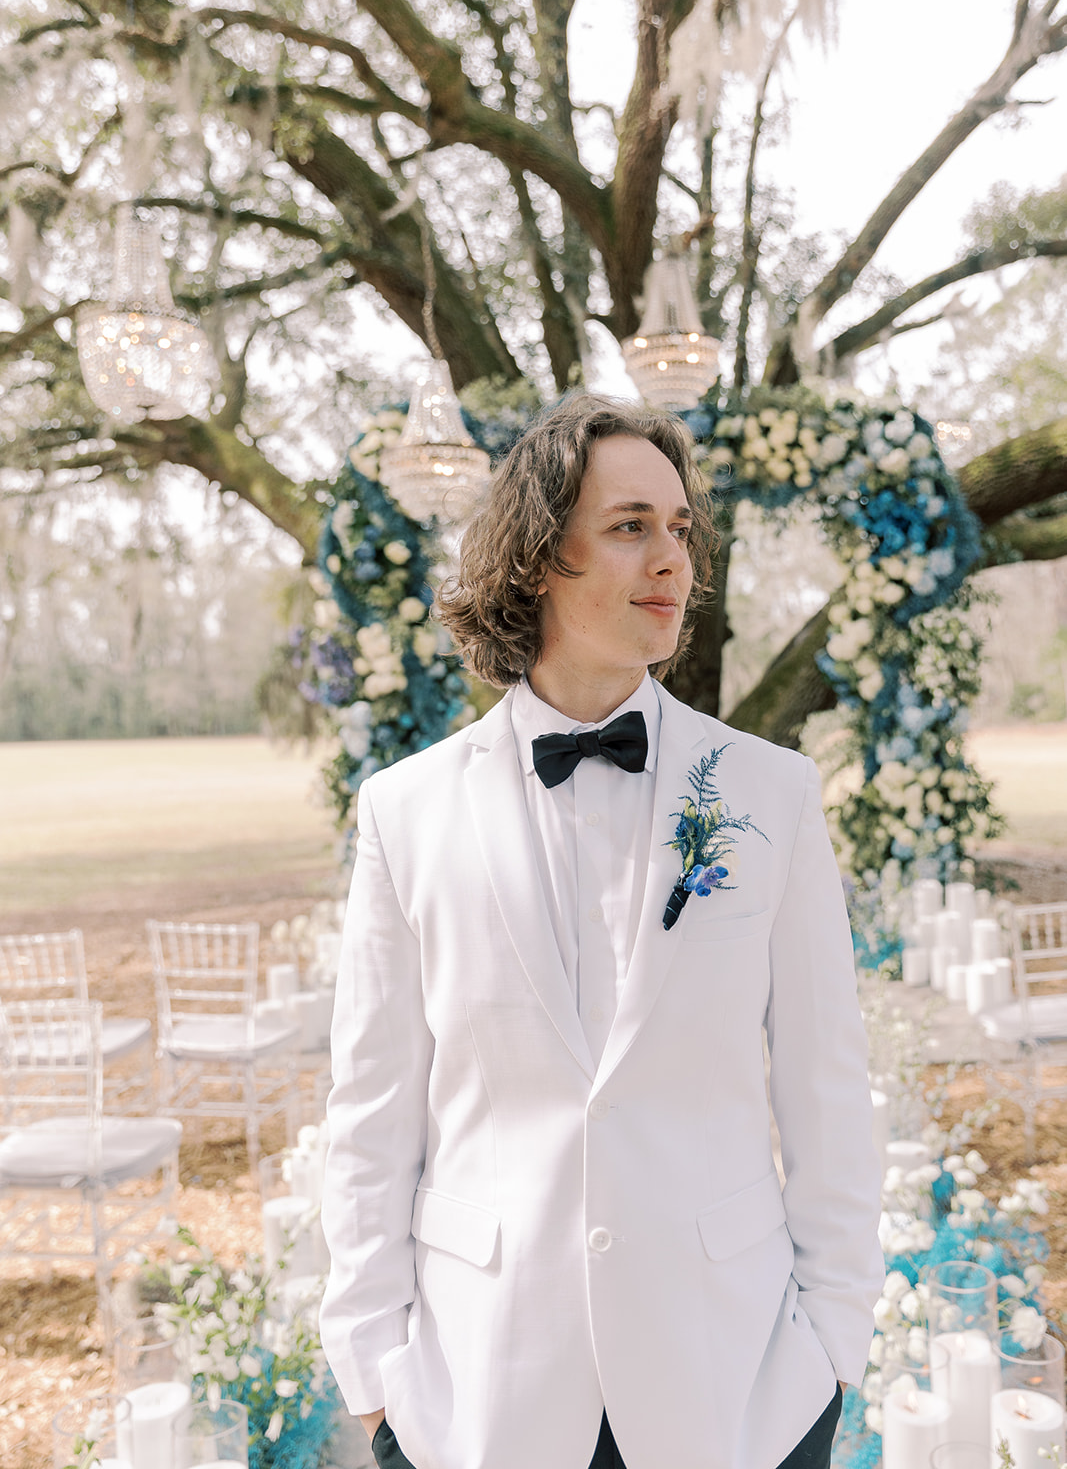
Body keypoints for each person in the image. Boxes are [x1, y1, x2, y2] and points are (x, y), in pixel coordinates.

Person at [320, 393, 883, 1469]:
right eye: (631, 525)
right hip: (477, 1393)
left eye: (679, 529)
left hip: (739, 1388)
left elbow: (824, 1082)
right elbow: (372, 1111)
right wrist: (373, 1374)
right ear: (538, 555)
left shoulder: (771, 792)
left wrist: (833, 1345)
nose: (670, 556)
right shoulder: (407, 811)